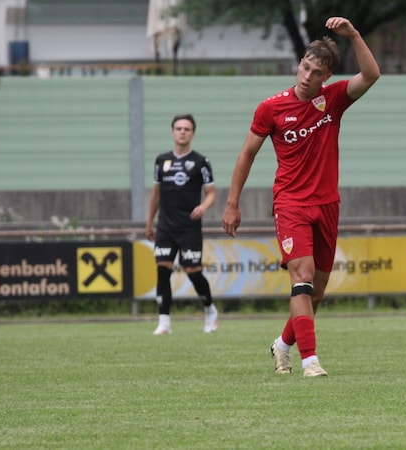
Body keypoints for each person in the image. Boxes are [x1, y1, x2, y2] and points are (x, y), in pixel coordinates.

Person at [222, 17, 380, 377]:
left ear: (326, 76)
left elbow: (371, 75)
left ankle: (282, 344)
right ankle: (310, 361)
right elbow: (246, 154)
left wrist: (354, 34)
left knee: (316, 292)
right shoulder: (271, 108)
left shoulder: (334, 100)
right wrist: (232, 202)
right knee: (303, 275)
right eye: (305, 67)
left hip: (327, 205)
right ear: (300, 64)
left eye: (316, 71)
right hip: (290, 204)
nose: (307, 75)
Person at [146, 114, 218, 335]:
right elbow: (156, 194)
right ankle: (164, 321)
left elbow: (211, 193)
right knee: (162, 269)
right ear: (172, 132)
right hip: (166, 226)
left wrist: (203, 207)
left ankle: (210, 310)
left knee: (193, 271)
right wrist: (149, 223)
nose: (182, 132)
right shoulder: (161, 161)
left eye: (186, 129)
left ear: (192, 134)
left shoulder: (200, 162)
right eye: (178, 128)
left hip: (189, 227)